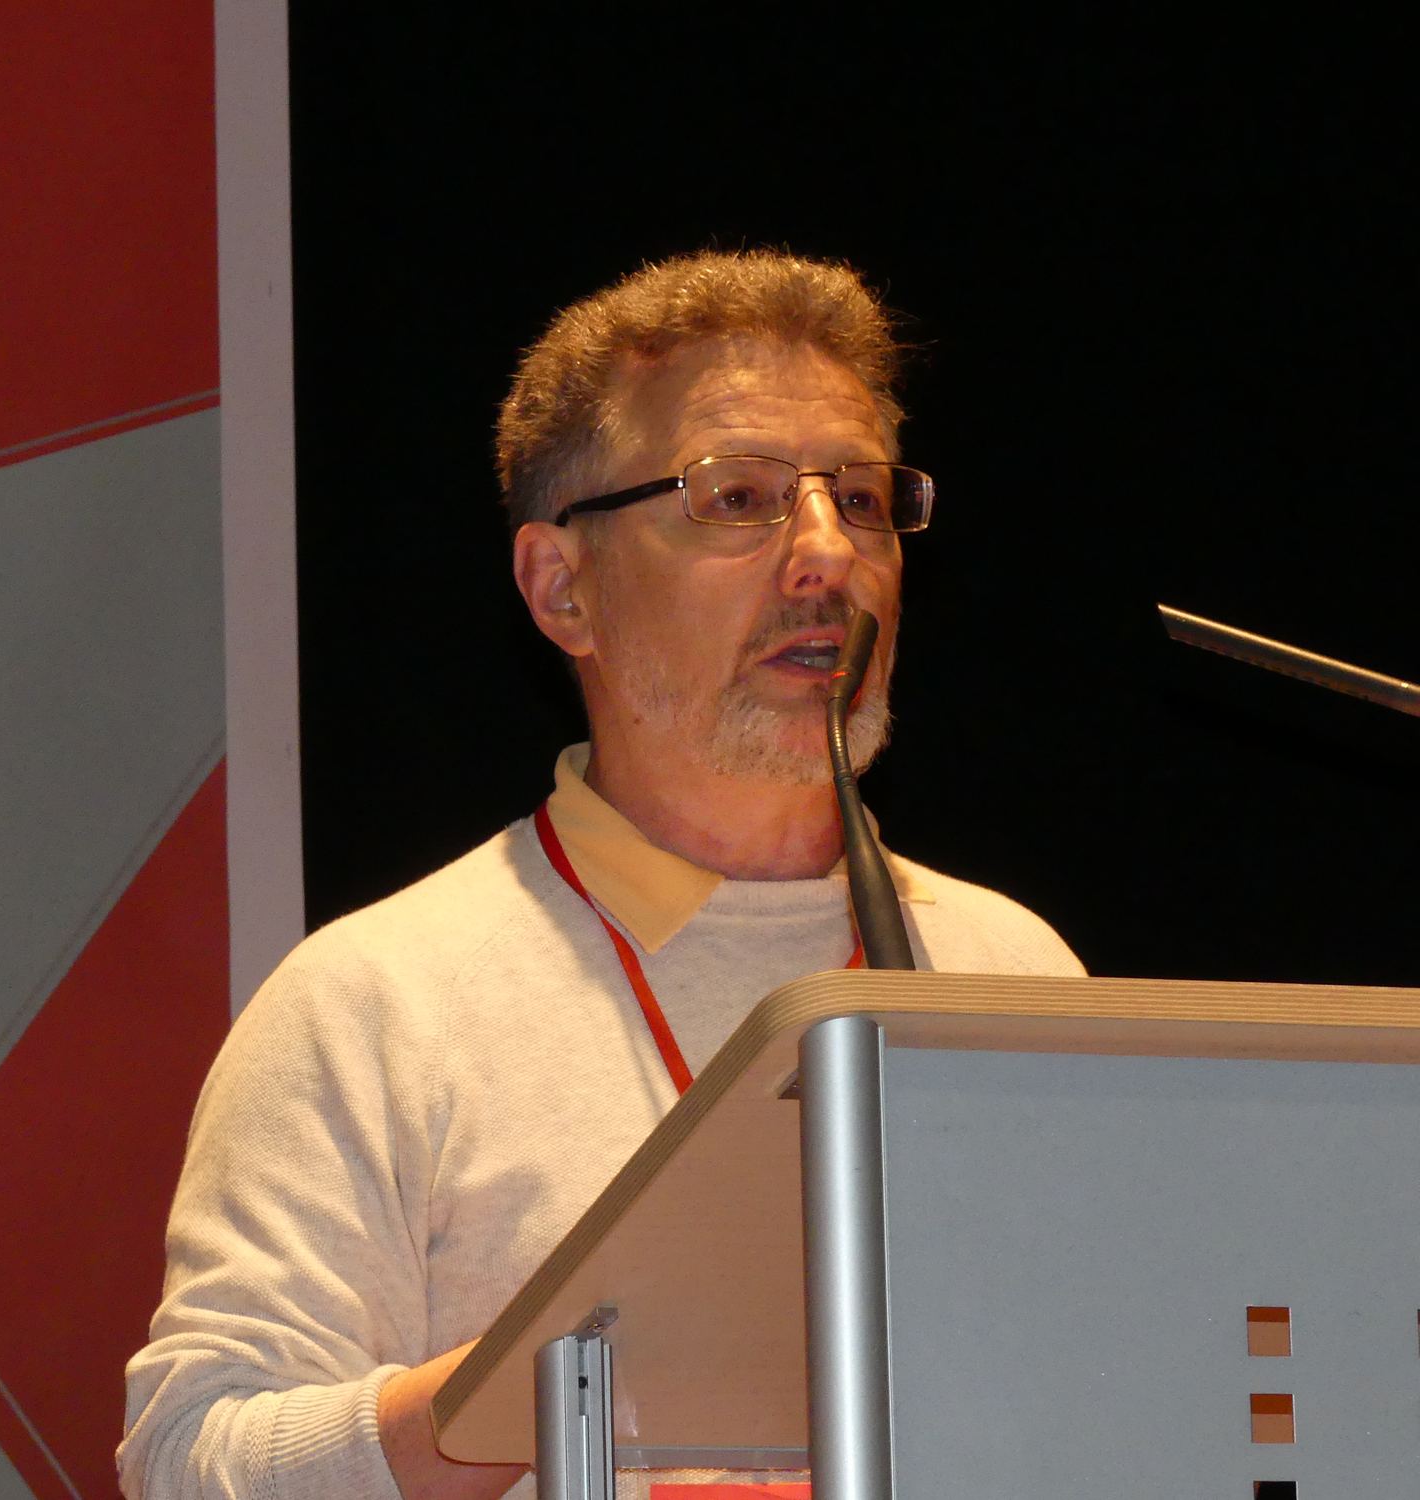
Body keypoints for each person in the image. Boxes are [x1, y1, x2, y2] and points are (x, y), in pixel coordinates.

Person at [118, 250, 1085, 1500]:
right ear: (560, 587)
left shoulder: (1012, 969)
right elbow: (190, 1459)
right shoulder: (379, 1003)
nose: (823, 555)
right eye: (737, 498)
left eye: (856, 497)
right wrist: (567, 1375)